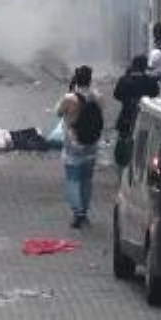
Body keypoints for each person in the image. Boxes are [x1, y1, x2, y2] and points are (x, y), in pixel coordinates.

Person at [54, 64, 104, 230]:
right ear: (90, 79)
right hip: (92, 143)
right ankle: (85, 212)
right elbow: (101, 115)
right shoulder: (98, 96)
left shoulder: (70, 98)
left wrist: (69, 92)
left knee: (73, 179)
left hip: (73, 143)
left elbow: (58, 113)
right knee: (87, 180)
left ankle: (78, 214)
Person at [112, 54, 159, 168]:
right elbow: (156, 95)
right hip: (144, 117)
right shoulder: (150, 81)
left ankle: (123, 164)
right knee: (142, 144)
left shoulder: (124, 79)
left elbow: (116, 95)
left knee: (123, 141)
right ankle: (138, 166)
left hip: (126, 116)